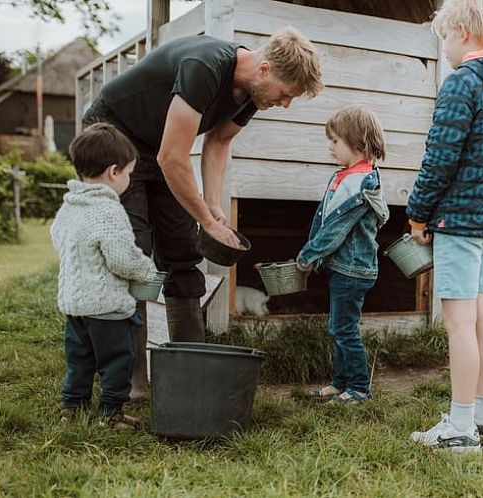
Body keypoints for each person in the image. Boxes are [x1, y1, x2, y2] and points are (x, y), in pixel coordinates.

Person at [82, 27, 323, 399]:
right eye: (285, 94)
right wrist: (207, 222)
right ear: (265, 70)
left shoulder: (253, 95)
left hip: (160, 146)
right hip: (115, 136)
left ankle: (187, 366)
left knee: (182, 248)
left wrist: (212, 207)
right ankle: (132, 381)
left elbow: (218, 141)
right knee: (132, 253)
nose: (285, 104)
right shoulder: (204, 67)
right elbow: (172, 157)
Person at [406, 0, 483, 453]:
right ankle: (482, 413)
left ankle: (459, 430)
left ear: (460, 31)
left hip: (458, 220)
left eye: (443, 37)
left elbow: (440, 158)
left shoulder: (462, 82)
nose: (444, 47)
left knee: (458, 324)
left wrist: (418, 212)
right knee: (481, 319)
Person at [50, 123, 160, 429]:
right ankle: (111, 414)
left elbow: (57, 236)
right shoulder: (109, 211)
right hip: (107, 308)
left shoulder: (70, 205)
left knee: (80, 360)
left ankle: (73, 408)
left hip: (75, 305)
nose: (128, 180)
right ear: (114, 172)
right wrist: (147, 271)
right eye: (128, 173)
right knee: (118, 361)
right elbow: (123, 259)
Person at [296, 104, 389, 404]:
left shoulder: (361, 182)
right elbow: (324, 219)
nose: (330, 146)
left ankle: (359, 389)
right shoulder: (346, 176)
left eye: (335, 141)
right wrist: (317, 254)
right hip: (342, 266)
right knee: (339, 327)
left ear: (358, 143)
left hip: (353, 269)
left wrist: (309, 254)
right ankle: (340, 383)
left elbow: (337, 228)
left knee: (344, 329)